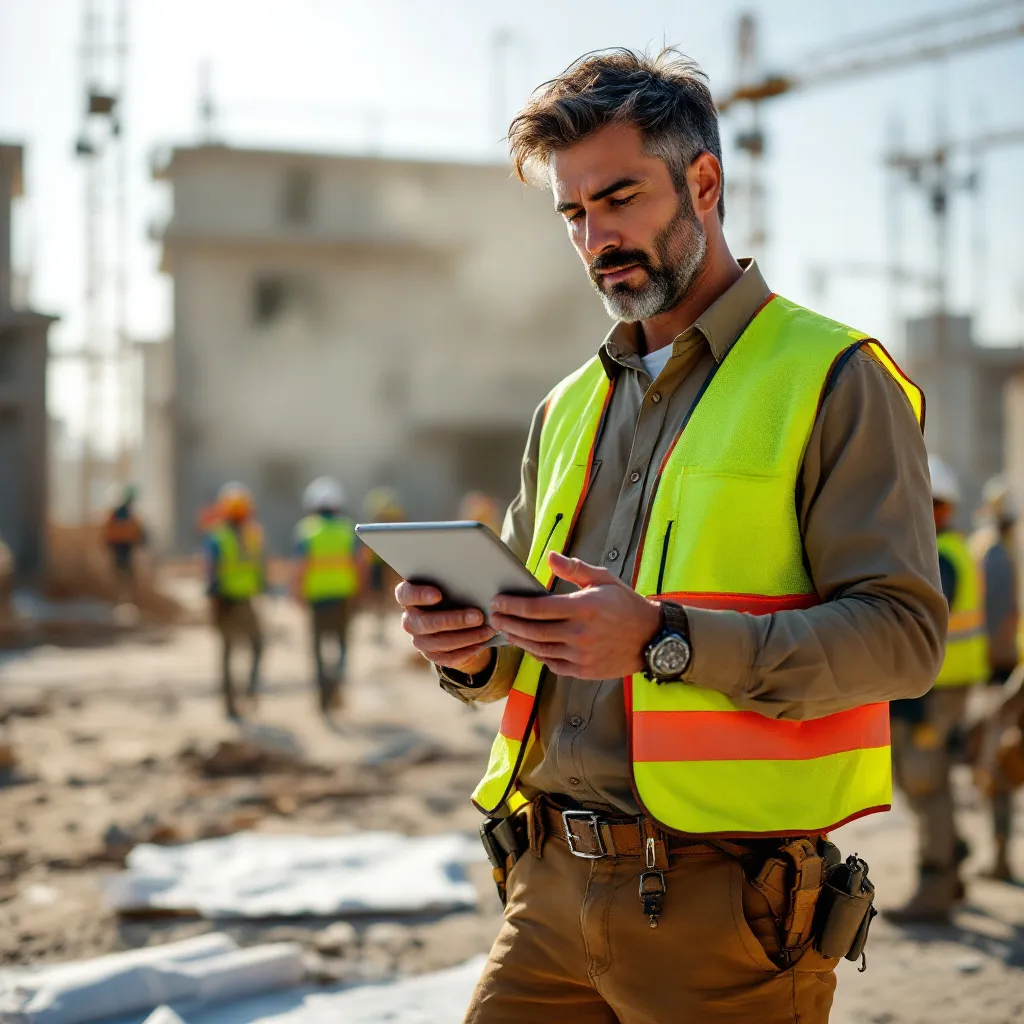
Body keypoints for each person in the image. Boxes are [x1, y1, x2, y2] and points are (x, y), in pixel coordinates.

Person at [396, 49, 945, 1023]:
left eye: (620, 198)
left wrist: (663, 638)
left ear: (704, 182)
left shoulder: (835, 376)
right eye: (573, 213)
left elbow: (904, 641)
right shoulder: (564, 408)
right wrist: (470, 653)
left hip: (724, 912)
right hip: (545, 889)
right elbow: (535, 654)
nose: (596, 236)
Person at [885, 455, 987, 923]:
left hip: (937, 691)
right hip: (935, 686)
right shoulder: (944, 548)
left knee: (926, 782)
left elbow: (915, 617)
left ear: (942, 508)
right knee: (919, 778)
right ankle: (954, 852)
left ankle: (936, 884)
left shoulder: (940, 555)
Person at [970, 475, 1021, 880]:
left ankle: (1001, 857)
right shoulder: (998, 553)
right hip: (1004, 669)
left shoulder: (992, 553)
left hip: (1002, 674)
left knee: (998, 763)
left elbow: (1000, 621)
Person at [293, 477, 360, 715]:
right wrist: (359, 593)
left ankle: (323, 695)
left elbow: (301, 566)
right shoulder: (347, 529)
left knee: (318, 648)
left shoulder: (306, 530)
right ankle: (337, 684)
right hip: (343, 597)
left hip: (317, 599)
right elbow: (357, 564)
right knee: (341, 646)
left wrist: (297, 593)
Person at [204, 482, 266, 720]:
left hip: (234, 600)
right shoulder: (235, 535)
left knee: (236, 650)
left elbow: (212, 572)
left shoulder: (220, 536)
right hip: (229, 601)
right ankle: (238, 700)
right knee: (241, 649)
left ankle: (238, 699)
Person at [361, 486, 404, 645]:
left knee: (384, 594)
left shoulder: (388, 519)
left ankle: (382, 625)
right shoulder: (395, 517)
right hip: (381, 561)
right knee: (381, 595)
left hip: (383, 561)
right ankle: (381, 625)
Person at [102, 484, 146, 600]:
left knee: (123, 569)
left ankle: (125, 593)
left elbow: (135, 529)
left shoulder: (125, 513)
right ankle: (121, 594)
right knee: (122, 569)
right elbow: (119, 529)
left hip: (123, 544)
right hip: (120, 544)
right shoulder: (121, 512)